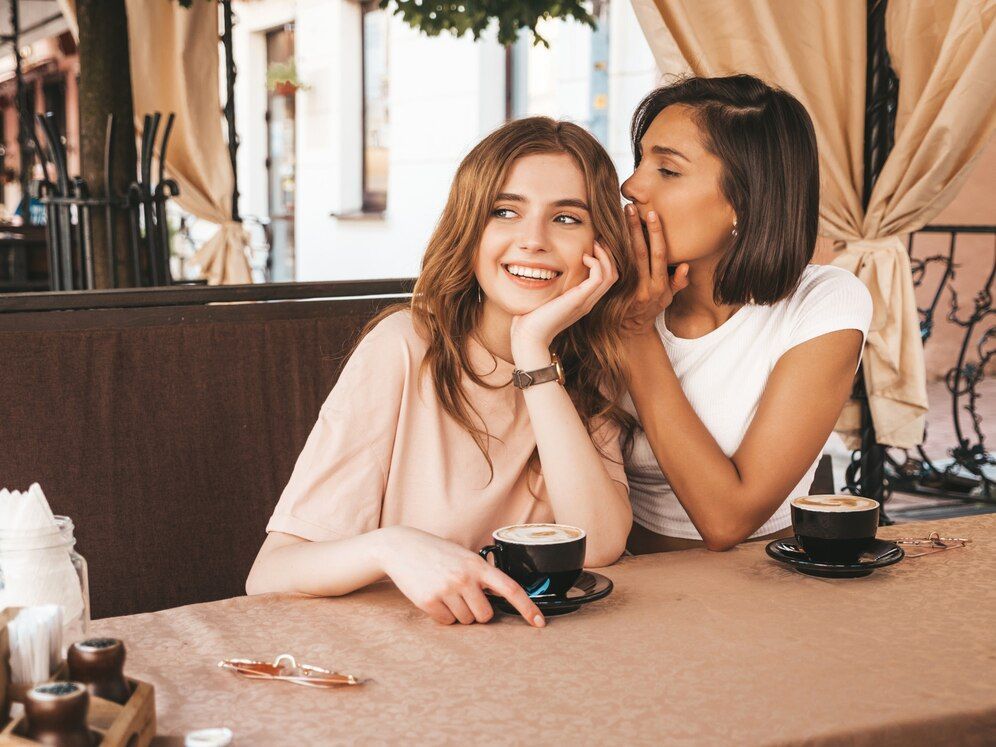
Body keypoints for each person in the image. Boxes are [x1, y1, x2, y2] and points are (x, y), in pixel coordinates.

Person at [247, 117, 637, 626]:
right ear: (469, 228)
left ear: (599, 246)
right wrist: (389, 548)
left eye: (566, 218)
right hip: (411, 663)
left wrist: (533, 350)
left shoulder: (585, 367)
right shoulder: (403, 348)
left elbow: (600, 544)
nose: (533, 240)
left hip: (543, 664)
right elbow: (269, 574)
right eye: (505, 211)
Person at [618, 74, 873, 554]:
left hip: (763, 589)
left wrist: (634, 333)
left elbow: (728, 520)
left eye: (667, 170)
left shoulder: (824, 303)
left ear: (745, 199)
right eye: (639, 161)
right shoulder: (603, 292)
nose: (631, 185)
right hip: (623, 586)